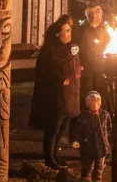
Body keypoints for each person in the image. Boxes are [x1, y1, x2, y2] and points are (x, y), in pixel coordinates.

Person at [29, 15, 82, 171]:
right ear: (57, 34)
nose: (69, 33)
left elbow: (73, 64)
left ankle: (56, 155)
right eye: (65, 31)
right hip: (55, 96)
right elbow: (43, 72)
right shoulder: (49, 51)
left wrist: (77, 70)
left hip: (69, 94)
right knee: (53, 127)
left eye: (69, 30)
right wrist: (59, 80)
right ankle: (49, 158)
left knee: (62, 127)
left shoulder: (70, 48)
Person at [71, 90, 111, 182]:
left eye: (97, 100)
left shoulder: (104, 115)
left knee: (99, 169)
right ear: (87, 103)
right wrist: (76, 140)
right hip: (88, 148)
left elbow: (109, 127)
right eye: (92, 100)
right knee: (87, 168)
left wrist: (107, 140)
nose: (95, 103)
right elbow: (77, 130)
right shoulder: (83, 116)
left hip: (102, 148)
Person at [75, 4, 110, 108]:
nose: (95, 18)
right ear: (87, 16)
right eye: (91, 15)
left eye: (98, 14)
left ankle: (101, 120)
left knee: (101, 98)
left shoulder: (105, 30)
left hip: (101, 71)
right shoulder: (80, 31)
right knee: (87, 98)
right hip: (86, 71)